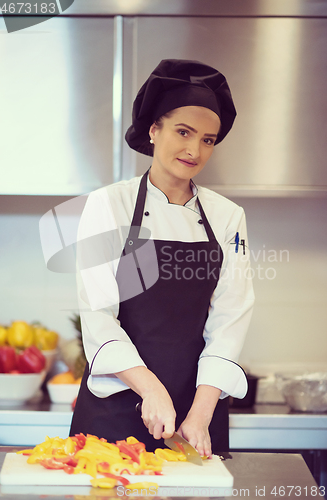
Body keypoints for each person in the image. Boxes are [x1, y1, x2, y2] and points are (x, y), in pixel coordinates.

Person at [70, 59, 255, 457]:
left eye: (208, 139)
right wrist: (151, 388)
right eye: (183, 132)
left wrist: (202, 409)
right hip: (116, 406)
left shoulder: (227, 217)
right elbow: (98, 314)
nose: (194, 149)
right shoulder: (109, 205)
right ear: (154, 130)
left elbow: (230, 318)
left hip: (195, 413)